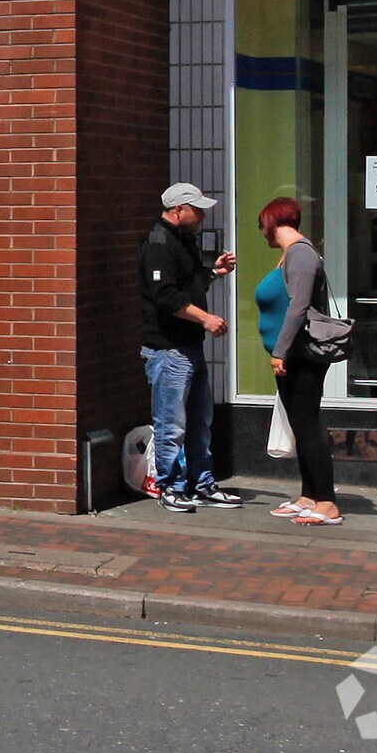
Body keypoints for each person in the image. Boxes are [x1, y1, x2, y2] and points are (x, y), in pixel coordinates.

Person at [138, 181, 242, 512]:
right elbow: (165, 296)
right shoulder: (158, 244)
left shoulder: (183, 240)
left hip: (188, 347)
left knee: (199, 420)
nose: (202, 215)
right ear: (178, 210)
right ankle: (171, 486)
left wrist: (213, 272)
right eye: (196, 209)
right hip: (168, 348)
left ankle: (202, 483)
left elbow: (189, 282)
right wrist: (206, 319)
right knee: (172, 422)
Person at [260, 196, 342, 527]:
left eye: (261, 225)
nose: (262, 233)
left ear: (271, 222)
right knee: (300, 425)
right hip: (293, 355)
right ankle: (309, 495)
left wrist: (280, 351)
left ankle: (328, 502)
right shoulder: (292, 255)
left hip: (301, 356)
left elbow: (298, 307)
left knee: (308, 425)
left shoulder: (302, 254)